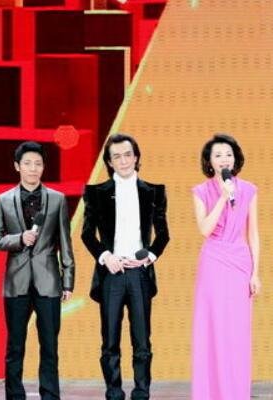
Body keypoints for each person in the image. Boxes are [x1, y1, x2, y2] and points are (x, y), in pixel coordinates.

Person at [81, 133, 169, 400]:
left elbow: (163, 235)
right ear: (109, 162)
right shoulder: (96, 193)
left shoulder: (154, 191)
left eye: (128, 154)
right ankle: (114, 392)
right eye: (116, 156)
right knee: (110, 340)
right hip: (112, 273)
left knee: (142, 340)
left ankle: (142, 392)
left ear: (136, 157)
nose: (123, 160)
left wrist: (148, 257)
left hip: (139, 273)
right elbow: (87, 234)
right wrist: (106, 256)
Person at [0, 141, 75, 400]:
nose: (33, 168)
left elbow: (65, 242)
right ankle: (14, 395)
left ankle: (50, 395)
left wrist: (68, 280)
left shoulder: (57, 199)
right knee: (15, 346)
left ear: (43, 167)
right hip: (16, 282)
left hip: (49, 281)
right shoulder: (3, 200)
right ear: (17, 166)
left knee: (49, 346)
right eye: (27, 163)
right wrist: (19, 239)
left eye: (38, 163)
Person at [191, 134, 261, 400]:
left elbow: (253, 233)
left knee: (237, 332)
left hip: (240, 263)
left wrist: (255, 273)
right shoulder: (200, 191)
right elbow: (204, 229)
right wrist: (222, 197)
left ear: (235, 159)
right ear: (209, 161)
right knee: (211, 329)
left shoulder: (249, 190)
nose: (224, 159)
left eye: (228, 154)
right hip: (213, 262)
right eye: (218, 155)